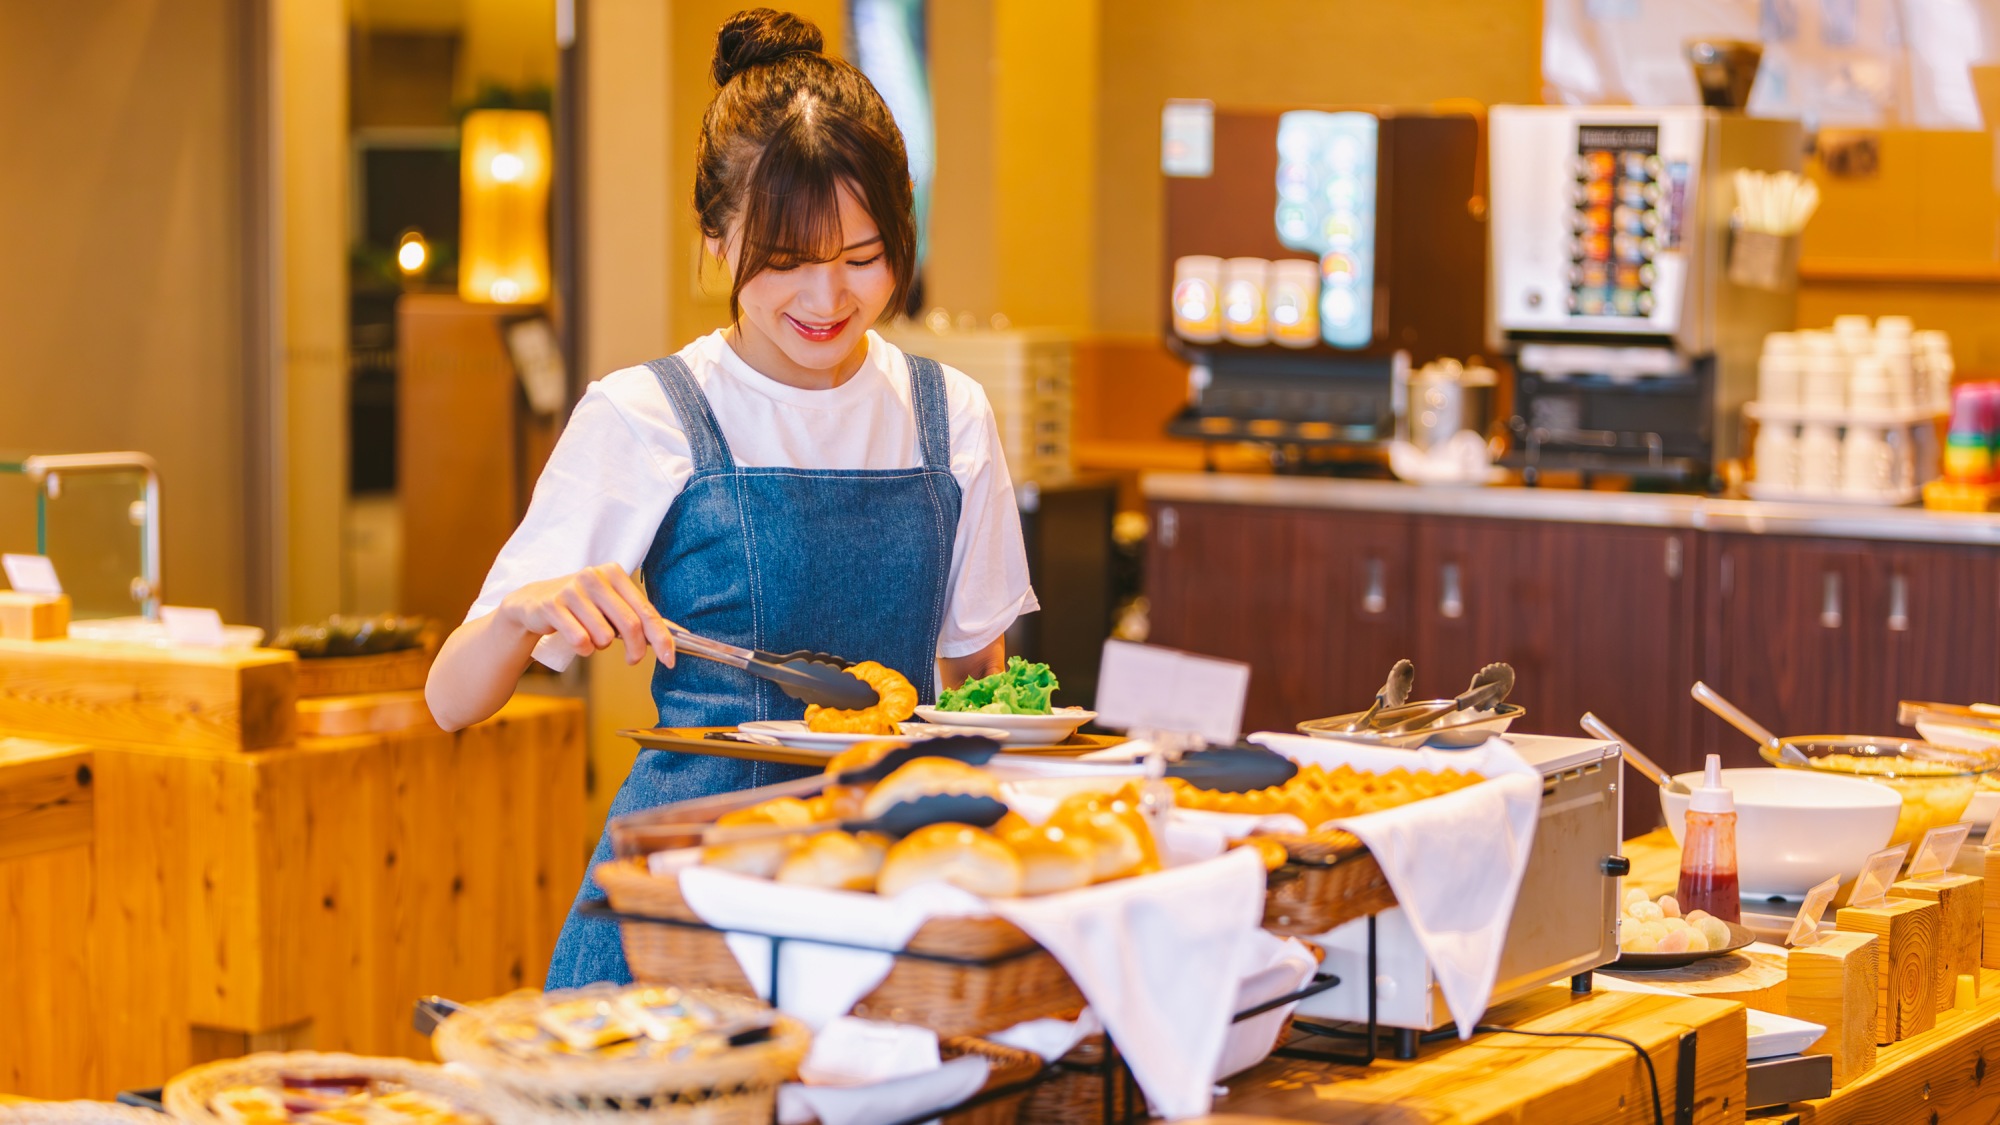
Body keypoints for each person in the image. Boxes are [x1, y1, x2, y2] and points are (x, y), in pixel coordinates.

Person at [424, 7, 1037, 989]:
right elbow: (451, 700)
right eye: (786, 263)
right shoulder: (646, 413)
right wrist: (524, 610)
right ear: (715, 238)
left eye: (861, 258)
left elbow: (974, 690)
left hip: (882, 898)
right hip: (687, 900)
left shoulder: (947, 414)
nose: (826, 301)